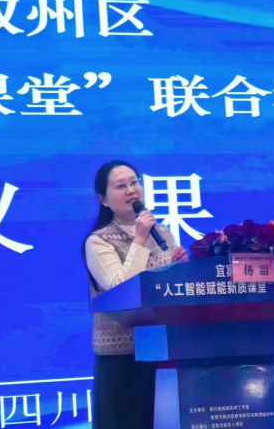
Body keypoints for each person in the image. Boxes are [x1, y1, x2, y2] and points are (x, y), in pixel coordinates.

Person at [82, 160, 189, 429]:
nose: (131, 190)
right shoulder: (98, 241)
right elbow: (120, 289)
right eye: (120, 186)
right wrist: (139, 239)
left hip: (165, 350)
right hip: (123, 358)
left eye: (134, 182)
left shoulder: (163, 233)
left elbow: (168, 291)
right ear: (103, 199)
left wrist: (180, 267)